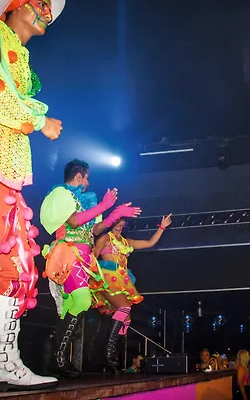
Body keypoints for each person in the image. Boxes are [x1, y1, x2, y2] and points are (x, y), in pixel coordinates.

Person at [0, 0, 65, 390]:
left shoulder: (16, 52)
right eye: (40, 3)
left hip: (9, 172)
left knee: (15, 264)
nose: (47, 13)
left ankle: (6, 360)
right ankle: (6, 362)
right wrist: (41, 121)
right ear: (17, 5)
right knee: (15, 264)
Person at [40, 159, 141, 378]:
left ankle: (58, 360)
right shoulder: (62, 194)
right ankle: (58, 359)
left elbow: (95, 229)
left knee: (71, 305)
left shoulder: (86, 200)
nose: (87, 182)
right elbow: (74, 222)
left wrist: (114, 214)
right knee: (83, 300)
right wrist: (103, 206)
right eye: (86, 178)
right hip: (69, 253)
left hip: (84, 258)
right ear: (79, 176)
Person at [90, 214, 171, 368]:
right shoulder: (105, 238)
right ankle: (107, 352)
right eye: (117, 220)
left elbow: (150, 242)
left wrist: (162, 227)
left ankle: (113, 357)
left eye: (122, 221)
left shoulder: (127, 242)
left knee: (126, 320)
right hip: (107, 279)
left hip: (121, 281)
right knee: (124, 308)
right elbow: (92, 257)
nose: (119, 224)